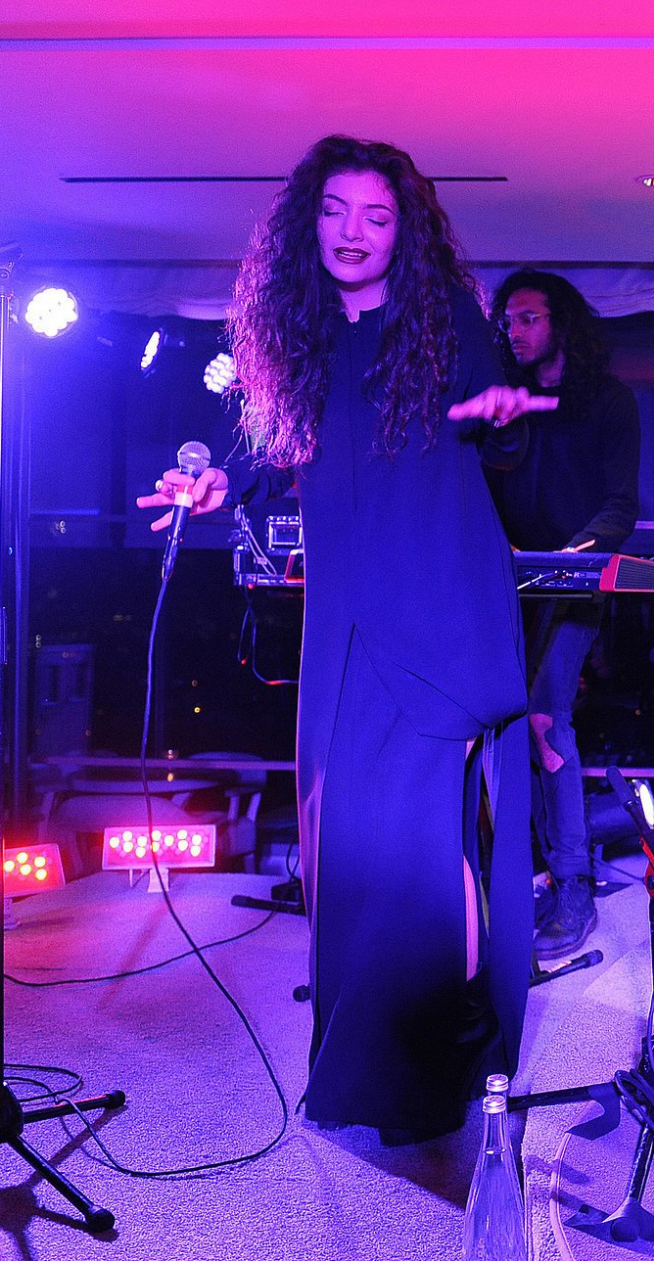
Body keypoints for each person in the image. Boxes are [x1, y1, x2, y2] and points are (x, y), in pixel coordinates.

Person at [138, 137, 556, 1142]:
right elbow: (268, 449)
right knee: (347, 853)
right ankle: (365, 1072)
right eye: (335, 211)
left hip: (441, 612)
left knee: (419, 853)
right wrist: (216, 483)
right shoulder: (299, 333)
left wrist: (500, 414)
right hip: (346, 624)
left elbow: (499, 430)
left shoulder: (445, 317)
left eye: (377, 215)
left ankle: (438, 1068)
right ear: (307, 223)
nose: (354, 232)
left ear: (404, 231)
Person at [487, 270, 640, 960]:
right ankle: (526, 876)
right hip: (504, 583)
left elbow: (621, 503)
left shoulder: (608, 401)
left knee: (547, 717)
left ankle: (575, 884)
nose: (515, 332)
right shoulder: (505, 402)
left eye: (528, 318)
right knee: (500, 723)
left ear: (561, 325)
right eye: (508, 322)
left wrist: (575, 553)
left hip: (573, 583)